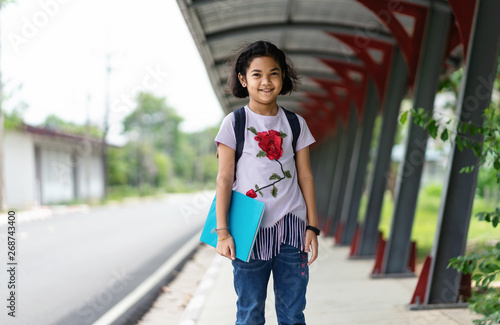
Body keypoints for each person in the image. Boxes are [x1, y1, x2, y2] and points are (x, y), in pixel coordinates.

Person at [213, 40, 319, 325]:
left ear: (282, 77)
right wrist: (222, 232)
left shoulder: (296, 124)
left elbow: (306, 176)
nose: (265, 81)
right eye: (256, 74)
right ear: (243, 79)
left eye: (273, 73)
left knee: (293, 314)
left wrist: (312, 226)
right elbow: (224, 179)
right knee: (249, 314)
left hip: (291, 228)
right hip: (248, 230)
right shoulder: (233, 123)